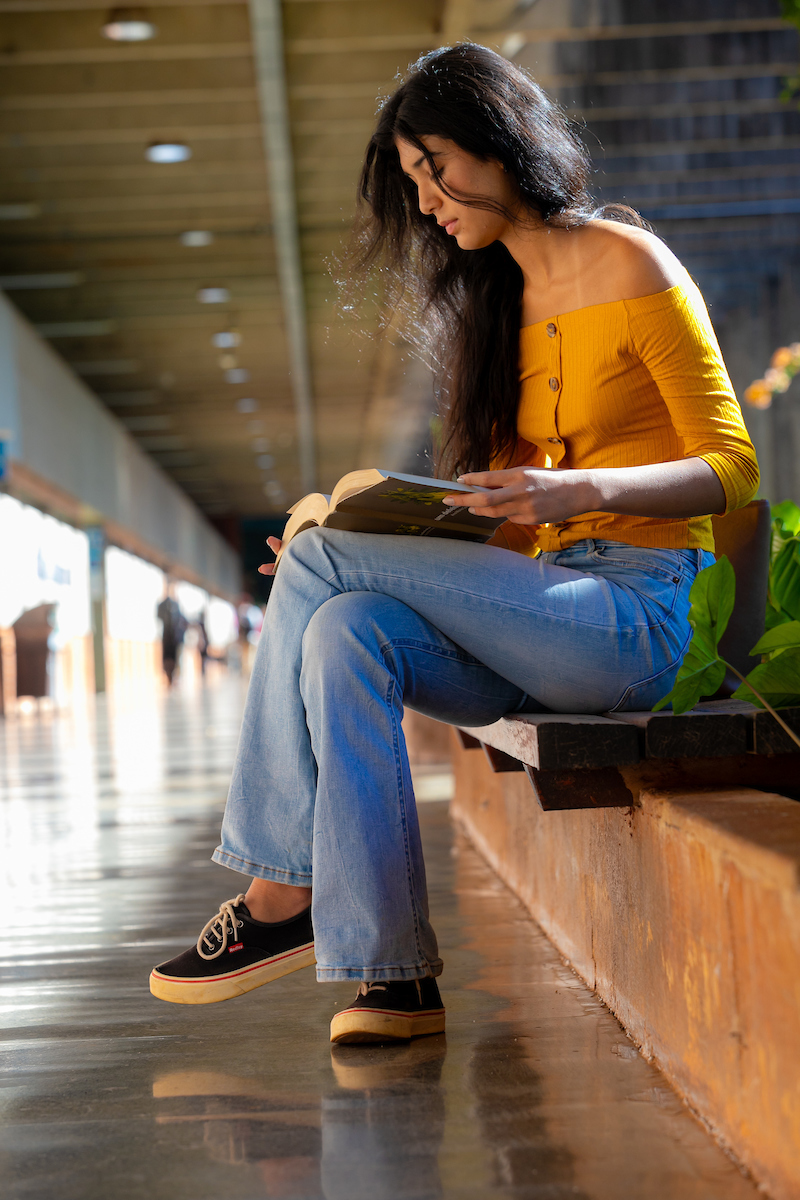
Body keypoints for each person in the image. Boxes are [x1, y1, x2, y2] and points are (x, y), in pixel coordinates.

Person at [149, 45, 758, 1043]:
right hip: (539, 621)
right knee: (342, 621)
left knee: (323, 579)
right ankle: (393, 979)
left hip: (644, 618)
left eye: (435, 166)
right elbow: (502, 525)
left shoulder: (627, 262)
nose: (426, 198)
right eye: (411, 181)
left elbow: (731, 465)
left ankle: (275, 897)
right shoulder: (492, 311)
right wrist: (379, 533)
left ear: (500, 140)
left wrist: (576, 487)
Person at [156, 584, 187, 687]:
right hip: (166, 636)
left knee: (174, 657)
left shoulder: (176, 606)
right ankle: (168, 675)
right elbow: (159, 617)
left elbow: (181, 621)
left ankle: (174, 676)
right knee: (166, 657)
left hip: (174, 637)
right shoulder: (162, 605)